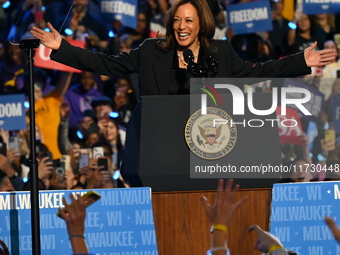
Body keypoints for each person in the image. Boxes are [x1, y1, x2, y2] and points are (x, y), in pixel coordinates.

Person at [30, 0, 336, 97]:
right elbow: (106, 65)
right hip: (160, 145)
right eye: (176, 20)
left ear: (201, 24)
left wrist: (301, 61)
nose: (181, 26)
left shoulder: (221, 52)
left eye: (188, 20)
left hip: (210, 148)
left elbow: (258, 71)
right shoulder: (151, 51)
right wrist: (62, 47)